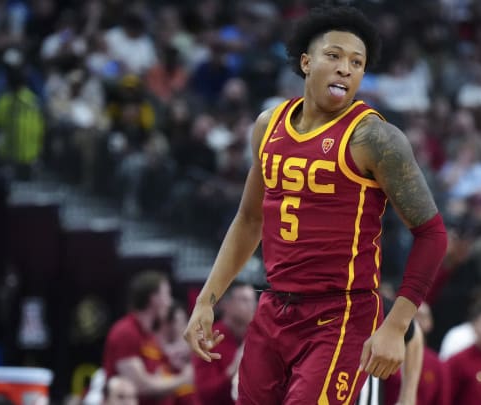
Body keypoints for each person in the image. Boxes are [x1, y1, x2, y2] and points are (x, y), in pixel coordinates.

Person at [183, 5, 448, 404]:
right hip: (274, 308)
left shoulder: (374, 138)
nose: (346, 68)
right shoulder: (268, 125)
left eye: (357, 63)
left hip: (340, 316)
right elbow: (250, 219)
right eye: (335, 56)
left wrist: (396, 325)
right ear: (306, 62)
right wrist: (207, 299)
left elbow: (432, 234)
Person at [102, 271, 192, 405]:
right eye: (166, 294)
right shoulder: (125, 332)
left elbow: (161, 374)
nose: (169, 302)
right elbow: (139, 385)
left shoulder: (149, 335)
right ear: (153, 298)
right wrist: (184, 379)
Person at [193, 281, 257, 405]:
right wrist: (233, 370)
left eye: (253, 300)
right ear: (225, 304)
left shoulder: (257, 337)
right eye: (244, 300)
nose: (252, 305)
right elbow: (205, 392)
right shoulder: (207, 339)